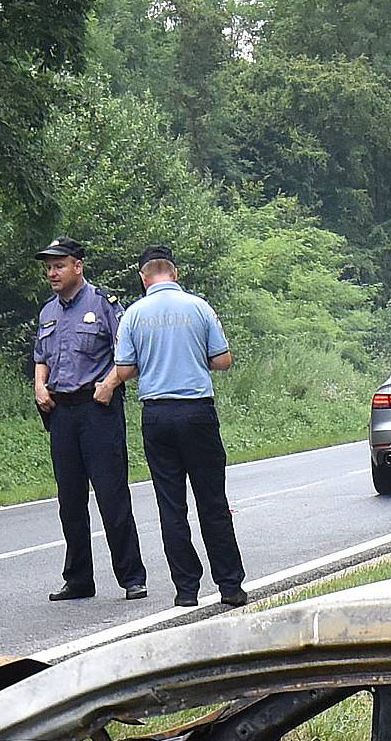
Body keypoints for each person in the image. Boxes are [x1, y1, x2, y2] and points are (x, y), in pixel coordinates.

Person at [100, 247, 247, 608]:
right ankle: (230, 586)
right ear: (175, 274)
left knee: (171, 504)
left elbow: (125, 368)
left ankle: (186, 590)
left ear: (144, 277)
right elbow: (223, 360)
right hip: (197, 412)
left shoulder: (132, 315)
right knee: (213, 501)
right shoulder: (200, 308)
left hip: (157, 415)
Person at [32, 237, 147, 603]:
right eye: (49, 267)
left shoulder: (105, 305)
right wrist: (39, 386)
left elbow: (129, 352)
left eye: (59, 265)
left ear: (78, 266)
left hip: (97, 410)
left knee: (111, 496)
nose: (52, 272)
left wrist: (111, 383)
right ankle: (79, 579)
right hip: (62, 413)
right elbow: (41, 355)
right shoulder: (48, 312)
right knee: (70, 500)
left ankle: (131, 576)